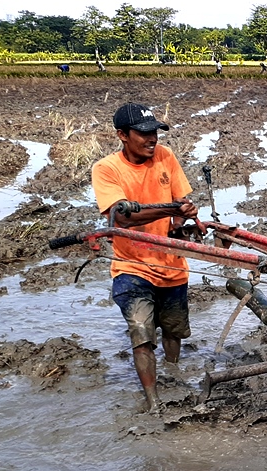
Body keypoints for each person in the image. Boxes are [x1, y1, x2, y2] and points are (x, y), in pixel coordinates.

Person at [91, 103, 204, 414]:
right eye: (143, 133)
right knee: (141, 333)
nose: (152, 138)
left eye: (154, 131)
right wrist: (172, 210)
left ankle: (173, 374)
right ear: (122, 135)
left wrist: (181, 223)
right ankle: (154, 404)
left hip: (171, 264)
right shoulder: (107, 169)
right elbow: (122, 218)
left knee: (173, 330)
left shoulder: (165, 157)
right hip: (132, 265)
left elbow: (181, 202)